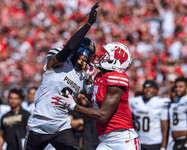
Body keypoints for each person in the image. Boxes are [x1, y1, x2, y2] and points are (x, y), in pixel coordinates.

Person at [24, 2, 99, 150]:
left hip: (61, 127)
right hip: (39, 125)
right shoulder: (58, 64)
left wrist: (91, 81)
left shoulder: (83, 75)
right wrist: (89, 24)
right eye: (82, 52)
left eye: (88, 55)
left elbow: (92, 103)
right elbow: (69, 47)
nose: (84, 58)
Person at [52, 42, 140, 150]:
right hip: (105, 140)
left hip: (123, 141)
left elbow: (103, 115)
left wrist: (74, 106)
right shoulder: (100, 76)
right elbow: (94, 102)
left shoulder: (117, 78)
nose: (101, 56)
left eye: (105, 55)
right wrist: (89, 81)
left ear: (114, 62)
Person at [129, 80, 170, 150]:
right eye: (145, 87)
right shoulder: (135, 101)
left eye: (150, 87)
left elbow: (165, 126)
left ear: (156, 90)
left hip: (155, 142)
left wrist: (163, 145)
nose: (148, 90)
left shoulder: (161, 102)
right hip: (139, 141)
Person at [169, 77, 187, 150]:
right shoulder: (176, 101)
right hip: (176, 141)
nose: (177, 89)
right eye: (176, 87)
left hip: (186, 141)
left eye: (181, 87)